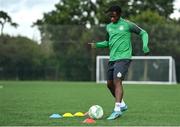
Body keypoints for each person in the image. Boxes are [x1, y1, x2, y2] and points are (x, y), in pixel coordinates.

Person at [89, 5, 150, 120]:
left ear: (119, 14)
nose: (111, 18)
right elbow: (108, 42)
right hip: (112, 59)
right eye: (110, 16)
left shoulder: (127, 24)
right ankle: (122, 104)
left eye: (113, 16)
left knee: (117, 81)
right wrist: (95, 45)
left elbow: (144, 33)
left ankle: (117, 110)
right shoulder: (109, 27)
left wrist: (145, 46)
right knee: (109, 84)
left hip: (124, 58)